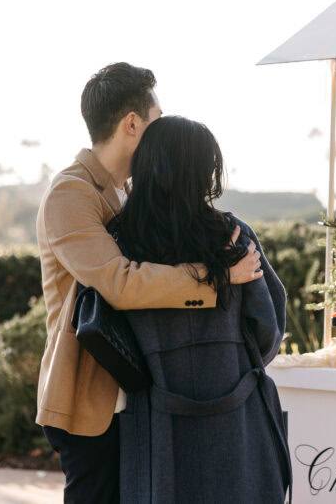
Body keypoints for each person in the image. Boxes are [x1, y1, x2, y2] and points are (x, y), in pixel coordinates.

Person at [36, 63, 264, 504]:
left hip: (135, 398)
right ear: (132, 124)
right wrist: (217, 279)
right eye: (157, 121)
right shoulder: (71, 194)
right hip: (89, 400)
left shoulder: (125, 193)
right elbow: (119, 283)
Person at [110, 115, 291, 504]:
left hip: (158, 423)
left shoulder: (120, 240)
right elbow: (267, 329)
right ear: (202, 171)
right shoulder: (233, 234)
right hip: (237, 416)